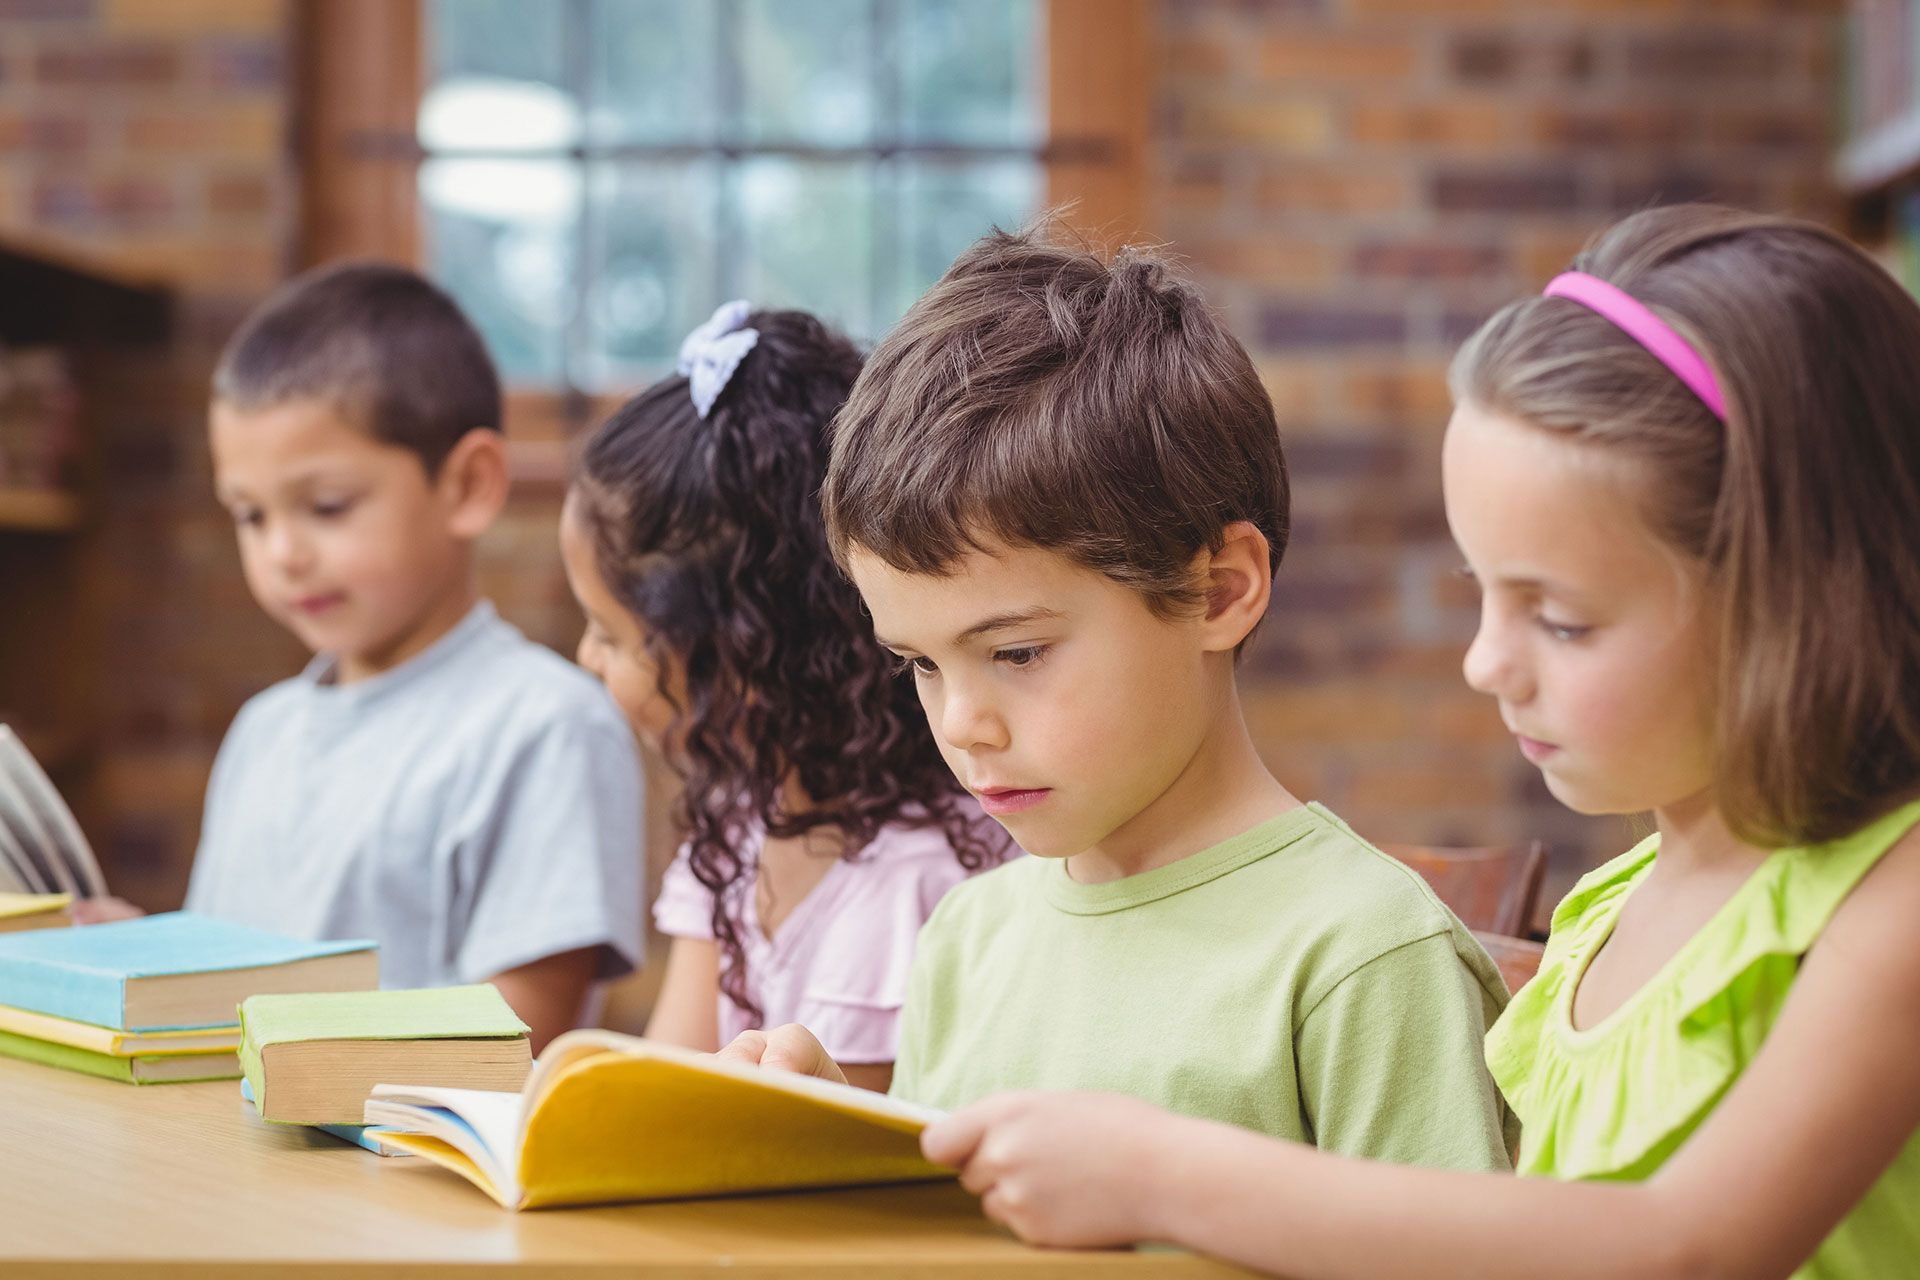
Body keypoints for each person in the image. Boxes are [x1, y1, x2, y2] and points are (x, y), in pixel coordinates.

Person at [916, 205, 1920, 1280]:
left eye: (1563, 618)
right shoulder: (1613, 911)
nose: (1487, 661)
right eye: (1480, 591)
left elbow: (1688, 1245)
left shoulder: (1894, 906)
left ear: (1798, 595)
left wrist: (1160, 1173)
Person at [718, 228, 1516, 1171]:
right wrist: (840, 1143)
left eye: (1016, 652)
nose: (961, 723)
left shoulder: (1361, 956)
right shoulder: (969, 941)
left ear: (1219, 591)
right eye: (919, 665)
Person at [182, 262, 644, 1051]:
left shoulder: (545, 725)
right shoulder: (265, 729)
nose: (283, 552)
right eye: (250, 516)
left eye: (326, 507)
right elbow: (211, 979)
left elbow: (519, 1033)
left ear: (468, 485)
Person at [560, 302, 1005, 1090]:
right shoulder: (737, 829)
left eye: (611, 633)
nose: (585, 655)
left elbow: (839, 1167)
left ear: (744, 651)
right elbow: (667, 1080)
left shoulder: (912, 879)